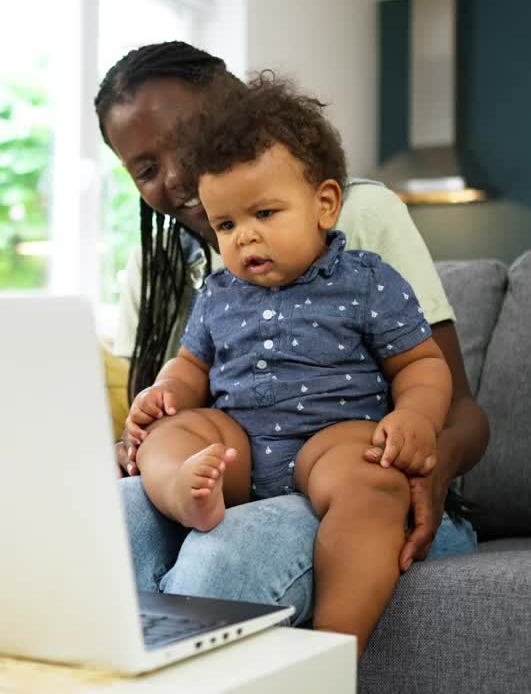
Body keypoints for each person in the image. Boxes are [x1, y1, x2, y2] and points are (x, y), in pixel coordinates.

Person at [95, 41, 489, 627]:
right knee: (103, 519)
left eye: (186, 141)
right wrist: (152, 426)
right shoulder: (167, 271)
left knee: (221, 560)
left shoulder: (359, 231)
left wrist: (422, 459)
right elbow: (184, 374)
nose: (177, 177)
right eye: (147, 170)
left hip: (346, 473)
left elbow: (452, 401)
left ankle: (330, 665)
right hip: (234, 465)